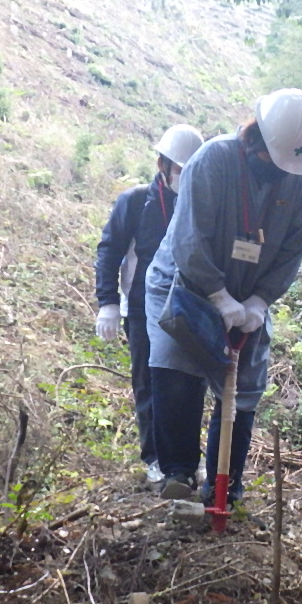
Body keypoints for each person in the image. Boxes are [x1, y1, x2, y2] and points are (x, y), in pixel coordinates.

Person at [145, 89, 302, 505]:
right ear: (255, 139)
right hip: (185, 282)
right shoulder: (212, 160)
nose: (277, 173)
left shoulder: (299, 183)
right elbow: (189, 238)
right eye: (270, 163)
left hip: (249, 296)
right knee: (177, 370)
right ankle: (179, 472)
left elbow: (292, 251)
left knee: (243, 387)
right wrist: (218, 296)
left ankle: (226, 481)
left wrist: (259, 301)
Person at [95, 124, 204, 480]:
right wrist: (108, 302)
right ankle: (155, 457)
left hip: (188, 309)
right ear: (163, 165)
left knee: (187, 383)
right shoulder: (135, 202)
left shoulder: (199, 204)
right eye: (181, 171)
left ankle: (184, 460)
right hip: (142, 308)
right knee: (149, 382)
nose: (185, 178)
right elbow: (109, 251)